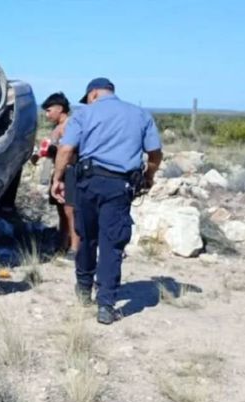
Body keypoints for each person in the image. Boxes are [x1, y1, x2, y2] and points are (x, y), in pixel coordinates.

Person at [51, 78, 162, 325]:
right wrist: (148, 176)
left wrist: (58, 179)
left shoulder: (84, 114)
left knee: (86, 236)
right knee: (112, 243)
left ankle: (83, 287)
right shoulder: (140, 115)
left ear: (93, 94)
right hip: (119, 186)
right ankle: (106, 305)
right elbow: (155, 153)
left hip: (87, 183)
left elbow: (66, 150)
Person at [32, 92, 79, 257]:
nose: (47, 114)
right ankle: (62, 243)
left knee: (70, 210)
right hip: (58, 172)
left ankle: (75, 247)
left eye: (49, 110)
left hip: (69, 172)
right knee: (61, 210)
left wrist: (55, 150)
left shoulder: (70, 125)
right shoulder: (56, 127)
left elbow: (71, 151)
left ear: (60, 109)